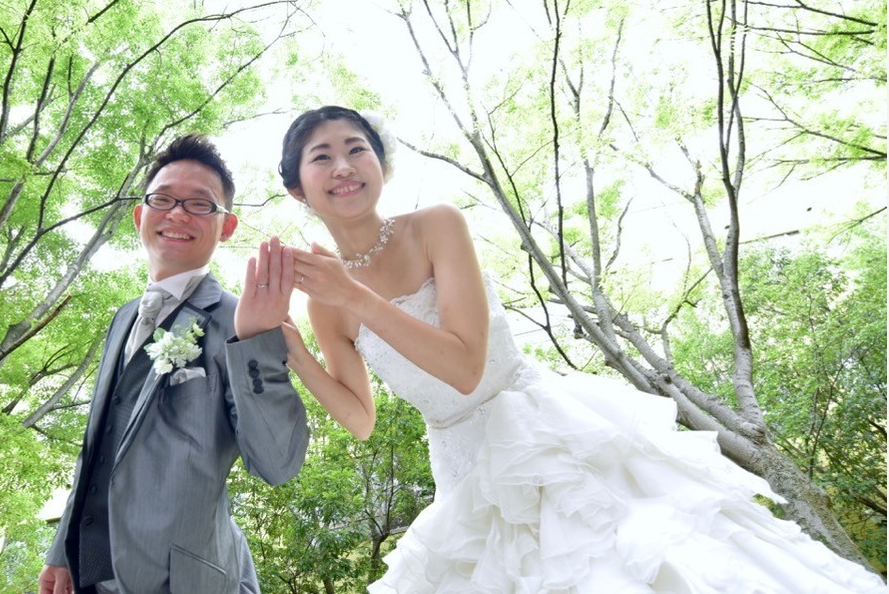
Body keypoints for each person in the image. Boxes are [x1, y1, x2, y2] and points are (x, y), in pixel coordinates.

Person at [274, 105, 885, 593]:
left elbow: (465, 368)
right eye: (321, 157)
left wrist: (353, 294)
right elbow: (360, 419)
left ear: (381, 163)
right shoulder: (324, 301)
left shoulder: (436, 225)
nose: (343, 165)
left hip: (544, 432)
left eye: (357, 148)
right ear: (299, 189)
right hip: (464, 473)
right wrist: (296, 350)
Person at [39, 134, 310, 594]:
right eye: (162, 199)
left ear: (227, 226)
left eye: (200, 204)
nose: (178, 214)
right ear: (139, 216)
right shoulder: (124, 317)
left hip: (184, 580)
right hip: (89, 574)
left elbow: (278, 463)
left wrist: (255, 342)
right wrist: (63, 550)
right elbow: (96, 444)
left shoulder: (240, 320)